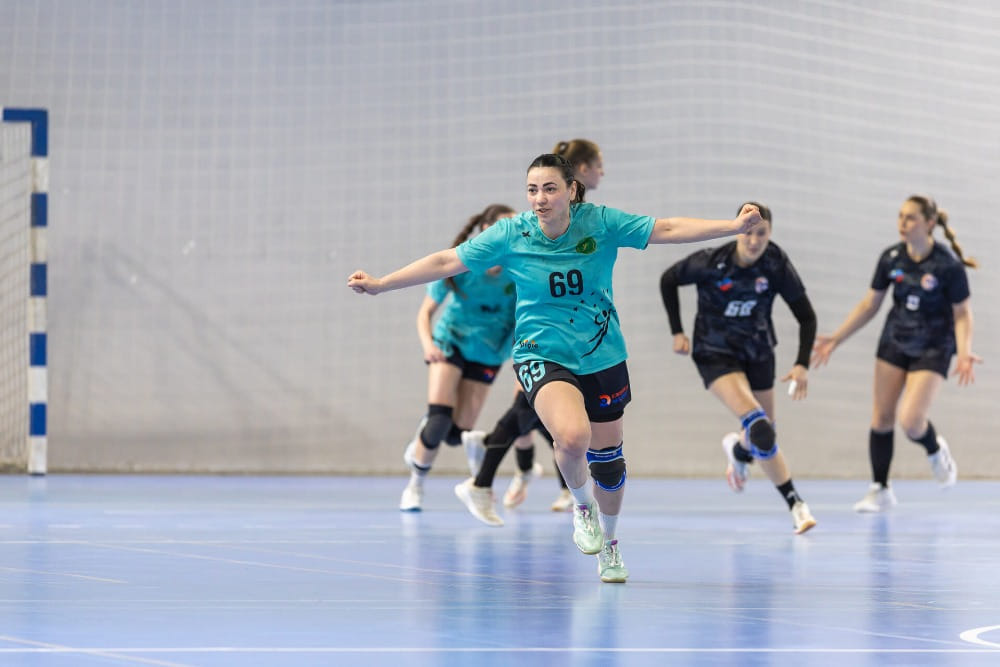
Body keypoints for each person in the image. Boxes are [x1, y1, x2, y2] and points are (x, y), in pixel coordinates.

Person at [349, 153, 764, 582]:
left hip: (602, 354)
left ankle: (611, 545)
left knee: (609, 464)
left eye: (549, 189)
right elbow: (445, 262)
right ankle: (582, 506)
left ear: (571, 190)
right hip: (540, 352)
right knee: (572, 435)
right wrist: (382, 283)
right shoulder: (512, 233)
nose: (540, 198)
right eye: (532, 190)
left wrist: (733, 227)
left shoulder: (600, 223)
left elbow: (668, 229)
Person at [460, 138, 606, 520]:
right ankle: (489, 476)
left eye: (547, 189)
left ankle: (509, 474)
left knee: (535, 419)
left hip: (567, 345)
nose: (602, 172)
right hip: (542, 346)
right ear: (580, 174)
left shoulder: (582, 221)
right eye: (597, 166)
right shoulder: (543, 220)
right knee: (534, 417)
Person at [812, 195, 979, 512]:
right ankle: (880, 489)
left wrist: (965, 351)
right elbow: (869, 304)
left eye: (911, 217)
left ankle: (934, 449)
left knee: (911, 421)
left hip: (933, 345)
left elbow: (962, 313)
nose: (903, 223)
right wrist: (836, 338)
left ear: (929, 223)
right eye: (901, 216)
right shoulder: (891, 258)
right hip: (895, 340)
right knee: (882, 417)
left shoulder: (947, 266)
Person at [659, 202, 817, 534]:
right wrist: (677, 331)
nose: (754, 240)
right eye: (748, 232)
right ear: (738, 229)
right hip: (715, 353)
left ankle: (739, 450)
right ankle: (796, 504)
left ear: (770, 234)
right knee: (759, 426)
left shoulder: (775, 263)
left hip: (758, 350)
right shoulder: (711, 262)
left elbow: (807, 316)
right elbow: (668, 279)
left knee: (764, 438)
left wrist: (802, 363)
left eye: (762, 234)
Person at [397, 204, 518, 512]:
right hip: (450, 343)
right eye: (502, 228)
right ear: (485, 231)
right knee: (438, 422)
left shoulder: (518, 271)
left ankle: (423, 437)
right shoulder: (463, 263)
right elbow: (425, 313)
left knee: (457, 434)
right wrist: (428, 344)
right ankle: (415, 485)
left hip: (489, 352)